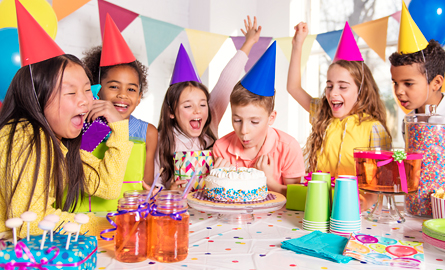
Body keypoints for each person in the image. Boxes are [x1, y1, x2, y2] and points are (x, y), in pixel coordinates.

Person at [0, 2, 132, 239]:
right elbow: (30, 223)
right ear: (36, 98)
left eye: (86, 90)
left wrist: (120, 126)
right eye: (71, 93)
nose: (85, 101)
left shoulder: (62, 140)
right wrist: (110, 227)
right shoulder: (25, 135)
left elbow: (108, 187)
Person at [157, 16, 262, 189]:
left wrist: (249, 43)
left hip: (211, 208)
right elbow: (152, 185)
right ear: (171, 112)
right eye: (188, 106)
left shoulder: (210, 122)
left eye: (203, 104)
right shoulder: (161, 140)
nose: (198, 111)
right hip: (179, 211)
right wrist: (170, 191)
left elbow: (226, 82)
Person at [287, 21, 391, 178]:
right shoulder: (322, 114)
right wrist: (297, 46)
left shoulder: (374, 129)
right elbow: (293, 88)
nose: (333, 93)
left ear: (361, 91)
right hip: (320, 201)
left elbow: (383, 178)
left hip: (357, 202)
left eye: (343, 87)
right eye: (329, 86)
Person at [213, 42, 306, 196]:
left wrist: (269, 182)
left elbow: (298, 199)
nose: (243, 131)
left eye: (254, 122)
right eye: (237, 120)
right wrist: (224, 180)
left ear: (271, 118)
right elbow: (219, 197)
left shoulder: (288, 148)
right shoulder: (221, 148)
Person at [83, 14, 157, 186]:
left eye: (131, 89)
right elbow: (81, 170)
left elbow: (144, 185)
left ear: (139, 98)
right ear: (97, 89)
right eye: (114, 87)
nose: (123, 95)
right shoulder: (89, 126)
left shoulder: (148, 133)